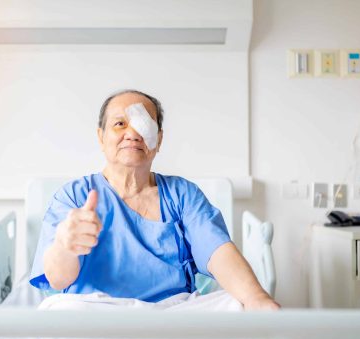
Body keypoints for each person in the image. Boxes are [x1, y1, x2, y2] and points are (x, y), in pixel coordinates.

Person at [30, 89, 280, 310]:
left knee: (237, 304)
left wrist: (256, 296)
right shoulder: (73, 196)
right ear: (101, 137)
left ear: (158, 140)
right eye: (119, 124)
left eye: (143, 124)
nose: (132, 133)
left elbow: (218, 251)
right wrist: (65, 246)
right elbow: (57, 280)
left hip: (172, 315)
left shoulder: (182, 195)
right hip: (97, 312)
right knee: (61, 310)